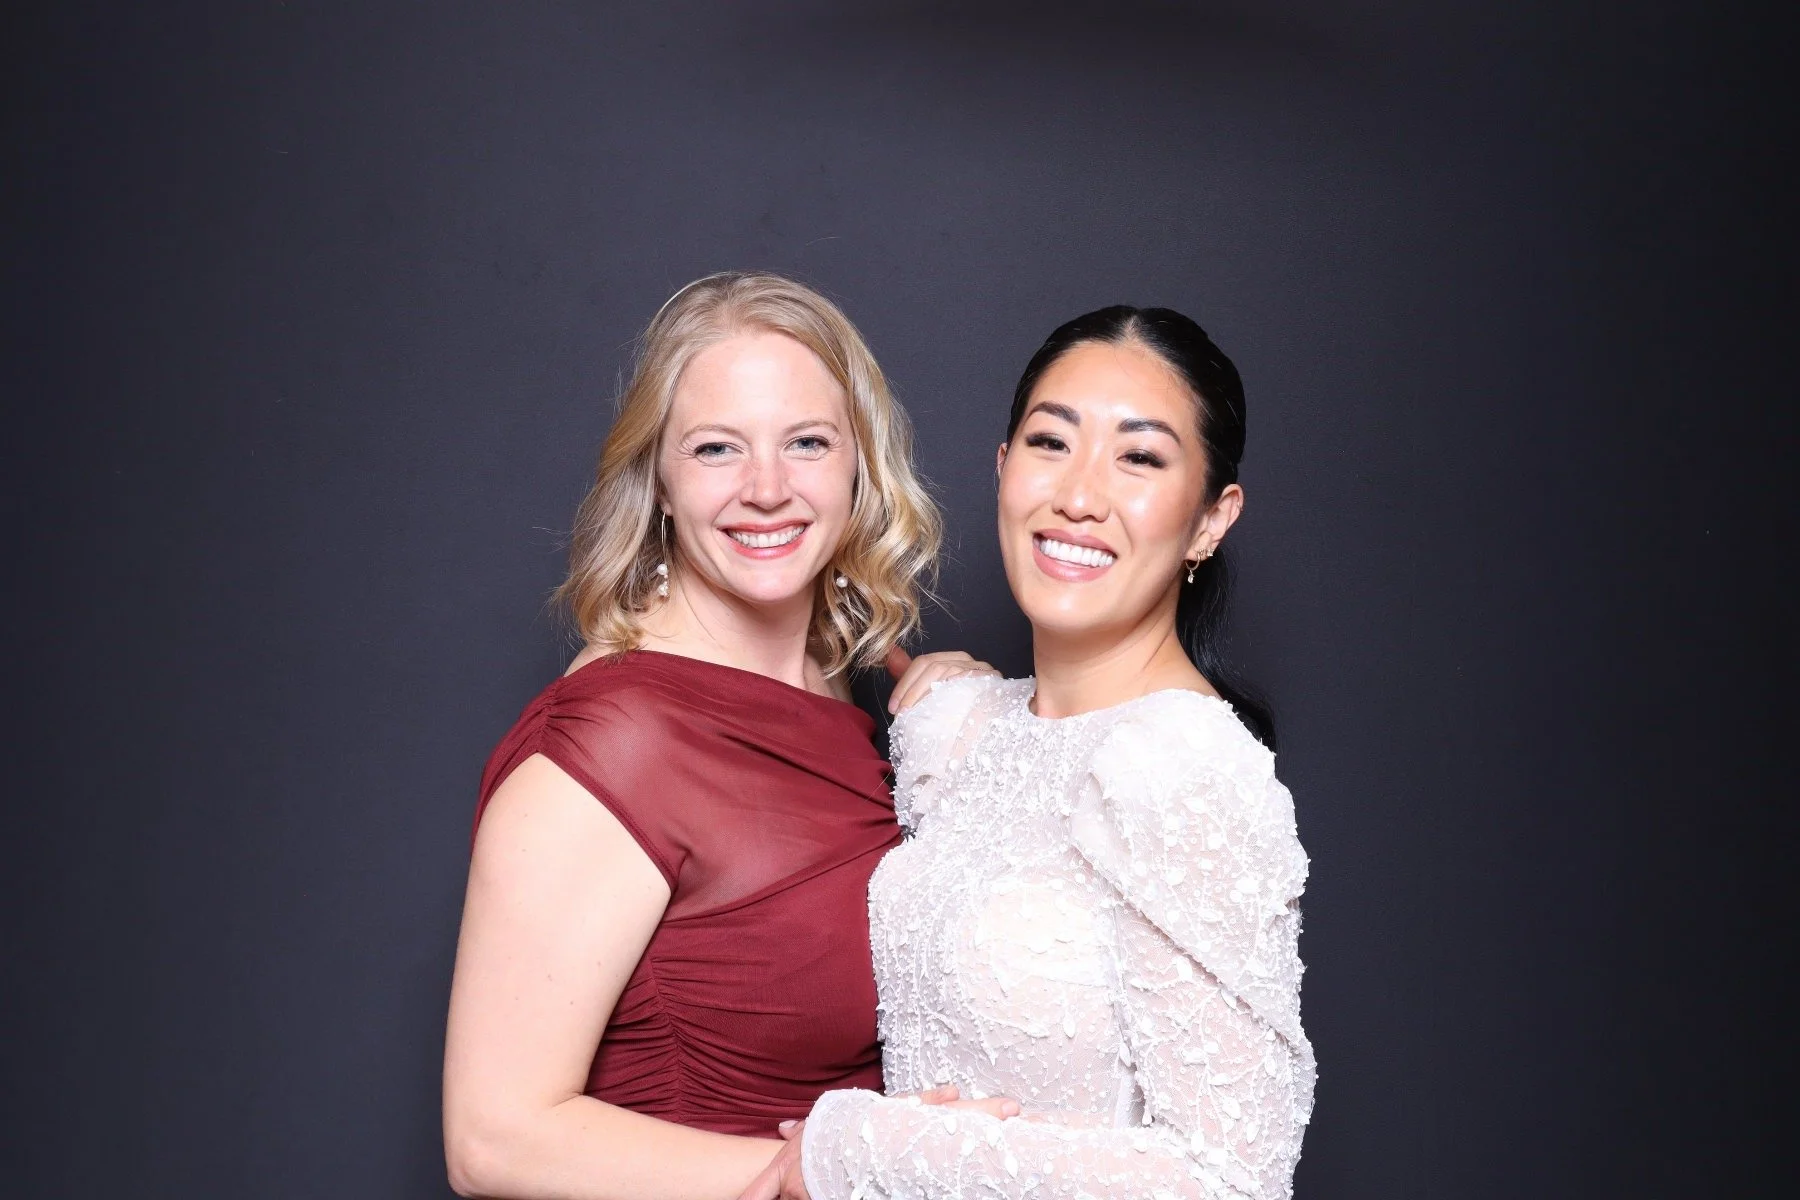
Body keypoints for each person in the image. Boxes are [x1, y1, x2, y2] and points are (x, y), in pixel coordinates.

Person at [442, 272, 1004, 1200]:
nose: (768, 490)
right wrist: (849, 1172)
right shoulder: (616, 739)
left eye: (807, 443)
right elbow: (492, 1139)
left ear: (858, 463)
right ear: (658, 482)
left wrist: (972, 722)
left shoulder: (845, 684)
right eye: (716, 449)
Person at [747, 306, 1316, 1199]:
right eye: (1052, 443)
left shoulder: (1182, 769)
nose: (1079, 495)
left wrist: (863, 1152)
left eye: (1140, 457)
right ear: (1005, 469)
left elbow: (1227, 1181)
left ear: (1211, 518)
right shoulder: (968, 731)